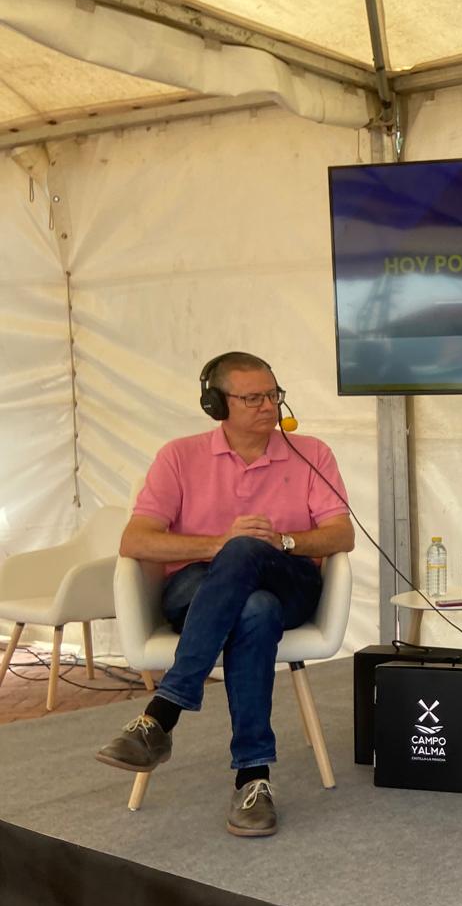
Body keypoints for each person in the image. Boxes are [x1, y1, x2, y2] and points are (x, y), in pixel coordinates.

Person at [95, 352, 354, 838]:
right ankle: (252, 778)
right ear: (216, 404)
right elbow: (135, 540)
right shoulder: (179, 456)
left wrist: (282, 541)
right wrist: (220, 544)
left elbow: (341, 535)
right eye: (252, 398)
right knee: (254, 608)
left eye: (273, 395)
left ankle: (164, 711)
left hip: (289, 577)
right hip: (198, 588)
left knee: (251, 566)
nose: (268, 407)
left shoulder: (310, 452)